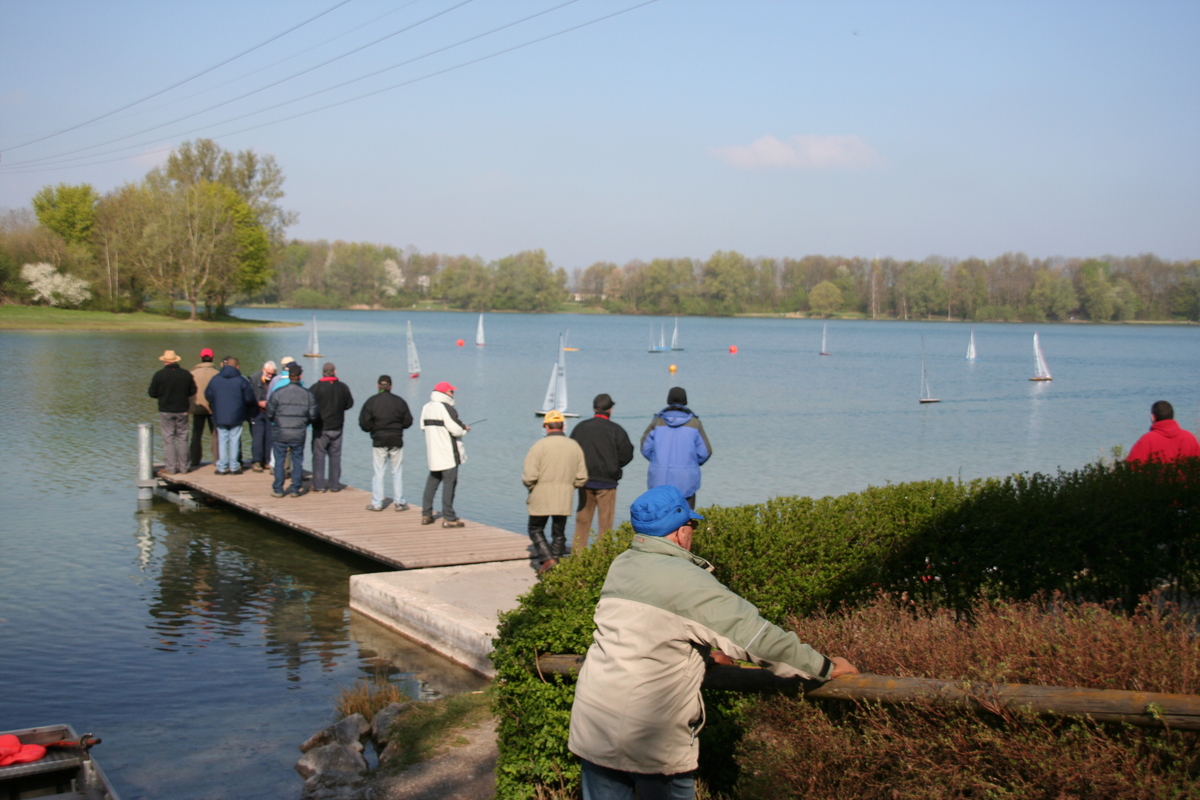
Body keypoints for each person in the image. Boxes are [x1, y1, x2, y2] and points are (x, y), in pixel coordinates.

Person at [568, 485, 858, 800]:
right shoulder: (688, 580)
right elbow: (757, 639)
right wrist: (822, 667)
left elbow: (641, 636)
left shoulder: (623, 564)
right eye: (692, 524)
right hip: (649, 735)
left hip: (594, 721)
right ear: (680, 532)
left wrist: (701, 659)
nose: (693, 531)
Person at [523, 410, 589, 573]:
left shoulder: (539, 446)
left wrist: (532, 487)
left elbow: (529, 476)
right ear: (563, 426)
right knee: (559, 532)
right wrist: (569, 487)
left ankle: (548, 559)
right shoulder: (574, 446)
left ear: (546, 426)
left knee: (535, 528)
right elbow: (582, 477)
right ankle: (556, 563)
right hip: (564, 495)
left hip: (541, 493)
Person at [570, 393, 634, 553]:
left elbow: (572, 451)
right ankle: (602, 557)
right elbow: (627, 454)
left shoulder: (581, 428)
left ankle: (577, 557)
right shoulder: (616, 430)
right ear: (610, 410)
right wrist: (615, 465)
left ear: (594, 409)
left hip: (585, 481)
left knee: (582, 522)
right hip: (608, 483)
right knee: (605, 525)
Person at [640, 387, 712, 509]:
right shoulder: (694, 423)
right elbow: (705, 452)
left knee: (660, 517)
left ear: (668, 400)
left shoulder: (657, 422)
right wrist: (691, 463)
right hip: (686, 482)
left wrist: (657, 460)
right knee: (685, 517)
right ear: (685, 401)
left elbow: (645, 448)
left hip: (659, 480)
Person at [358, 375, 414, 511]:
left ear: (378, 386)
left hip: (379, 440)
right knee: (397, 472)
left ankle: (377, 503)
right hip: (396, 439)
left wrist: (373, 429)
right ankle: (399, 502)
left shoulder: (371, 402)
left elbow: (364, 423)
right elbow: (408, 421)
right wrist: (398, 428)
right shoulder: (399, 401)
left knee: (379, 472)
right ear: (391, 386)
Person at [420, 381, 469, 528]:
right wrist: (464, 429)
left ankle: (426, 514)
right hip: (448, 453)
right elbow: (456, 430)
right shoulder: (446, 408)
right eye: (451, 391)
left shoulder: (426, 407)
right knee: (449, 485)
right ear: (445, 393)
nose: (453, 394)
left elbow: (423, 426)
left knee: (432, 484)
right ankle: (449, 518)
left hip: (433, 453)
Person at [266, 362, 318, 497]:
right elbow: (313, 415)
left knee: (279, 461)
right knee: (297, 461)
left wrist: (277, 422)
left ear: (289, 376)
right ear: (300, 376)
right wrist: (304, 423)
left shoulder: (278, 393)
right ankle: (295, 489)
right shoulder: (307, 394)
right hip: (298, 432)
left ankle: (278, 489)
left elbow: (270, 413)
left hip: (280, 432)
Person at [148, 349, 197, 476]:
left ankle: (170, 468)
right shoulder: (186, 374)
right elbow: (193, 391)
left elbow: (152, 393)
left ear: (165, 361)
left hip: (166, 410)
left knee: (169, 439)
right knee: (183, 439)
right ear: (176, 360)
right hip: (183, 410)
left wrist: (162, 395)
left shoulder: (159, 375)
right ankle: (184, 467)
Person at [204, 356, 256, 475]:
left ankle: (222, 467)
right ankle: (234, 467)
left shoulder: (215, 379)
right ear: (237, 367)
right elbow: (249, 398)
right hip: (237, 414)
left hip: (220, 414)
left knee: (222, 440)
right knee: (235, 440)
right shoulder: (242, 380)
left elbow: (208, 395)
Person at [309, 362, 355, 492]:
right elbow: (349, 404)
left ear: (323, 373)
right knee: (335, 457)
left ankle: (319, 485)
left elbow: (309, 406)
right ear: (335, 372)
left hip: (320, 427)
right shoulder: (343, 387)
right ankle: (334, 485)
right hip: (337, 427)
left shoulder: (316, 388)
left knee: (319, 456)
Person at [1127, 400, 1200, 463]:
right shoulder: (1189, 437)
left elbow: (1133, 466)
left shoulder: (1147, 440)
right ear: (1173, 416)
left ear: (1153, 417)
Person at [188, 347, 221, 469]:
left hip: (198, 407)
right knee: (215, 434)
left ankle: (194, 460)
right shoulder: (217, 374)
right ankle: (218, 460)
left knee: (196, 433)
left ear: (201, 358)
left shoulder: (192, 373)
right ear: (213, 358)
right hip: (214, 408)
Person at [248, 361, 277, 472]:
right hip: (256, 412)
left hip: (270, 412)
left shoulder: (276, 380)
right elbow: (249, 395)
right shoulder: (253, 379)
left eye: (272, 374)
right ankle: (257, 461)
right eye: (268, 373)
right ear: (263, 370)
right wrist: (258, 402)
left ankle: (267, 460)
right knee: (258, 437)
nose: (270, 375)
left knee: (270, 436)